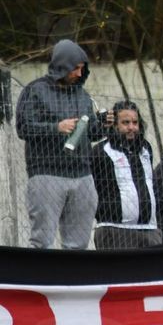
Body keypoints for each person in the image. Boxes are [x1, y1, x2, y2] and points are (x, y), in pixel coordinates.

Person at [15, 39, 113, 249]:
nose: (79, 74)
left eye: (82, 69)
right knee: (42, 241)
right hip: (46, 173)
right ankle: (38, 280)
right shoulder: (35, 91)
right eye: (75, 68)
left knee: (78, 244)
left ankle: (74, 280)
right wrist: (56, 127)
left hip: (83, 174)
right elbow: (23, 128)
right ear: (62, 65)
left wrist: (104, 125)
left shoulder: (82, 95)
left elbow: (91, 133)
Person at [90, 100, 162, 249]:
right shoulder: (101, 151)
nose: (131, 127)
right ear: (115, 125)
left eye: (135, 122)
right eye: (126, 123)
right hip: (114, 231)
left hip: (149, 230)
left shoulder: (146, 149)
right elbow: (92, 189)